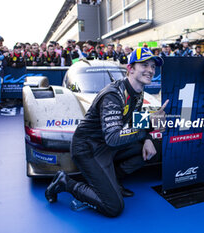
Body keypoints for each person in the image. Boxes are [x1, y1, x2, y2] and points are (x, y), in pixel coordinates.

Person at [45, 47, 168, 217]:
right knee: (113, 207)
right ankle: (65, 182)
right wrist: (149, 125)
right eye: (144, 65)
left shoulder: (139, 93)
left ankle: (113, 181)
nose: (150, 70)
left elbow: (135, 122)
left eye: (153, 66)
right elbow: (113, 138)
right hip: (88, 149)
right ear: (130, 68)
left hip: (106, 146)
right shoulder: (113, 95)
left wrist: (148, 137)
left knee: (156, 146)